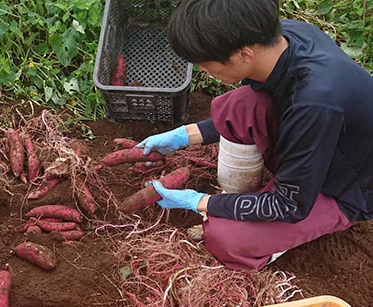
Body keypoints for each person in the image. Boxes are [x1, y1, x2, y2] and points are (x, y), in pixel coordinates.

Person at [136, 0, 373, 271]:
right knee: (239, 105)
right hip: (322, 143)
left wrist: (199, 202)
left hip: (350, 188)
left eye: (206, 62)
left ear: (243, 53)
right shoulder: (284, 37)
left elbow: (289, 205)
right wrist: (185, 135)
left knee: (225, 238)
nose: (203, 69)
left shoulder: (314, 103)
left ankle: (271, 241)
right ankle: (251, 198)